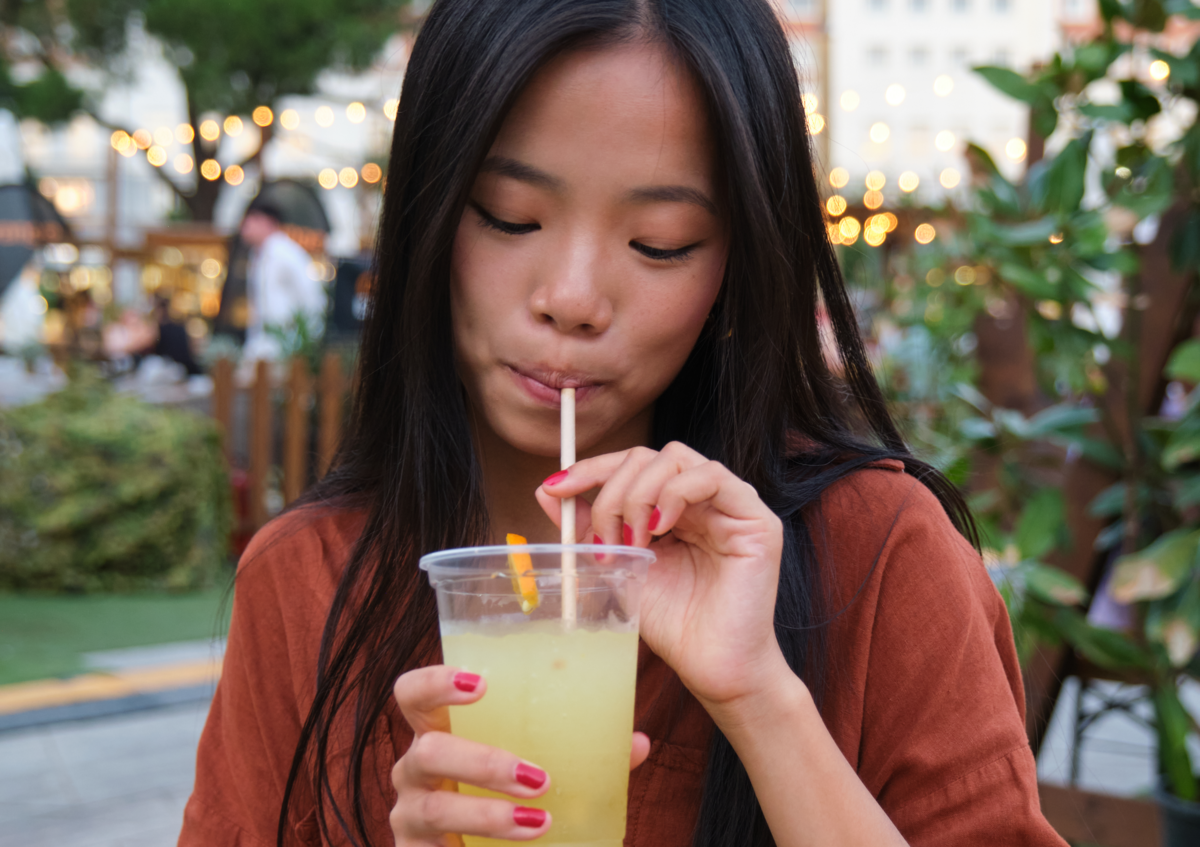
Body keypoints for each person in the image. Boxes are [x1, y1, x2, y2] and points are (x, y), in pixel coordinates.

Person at [180, 2, 1069, 846]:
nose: (570, 298)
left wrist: (762, 699)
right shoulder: (307, 580)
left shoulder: (878, 553)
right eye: (509, 216)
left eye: (661, 241)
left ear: (736, 265)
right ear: (427, 215)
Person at [238, 200, 326, 361]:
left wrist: (309, 340)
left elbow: (311, 295)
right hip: (265, 344)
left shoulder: (285, 252)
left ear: (268, 222)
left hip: (287, 345)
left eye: (251, 219)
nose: (245, 226)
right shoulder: (258, 255)